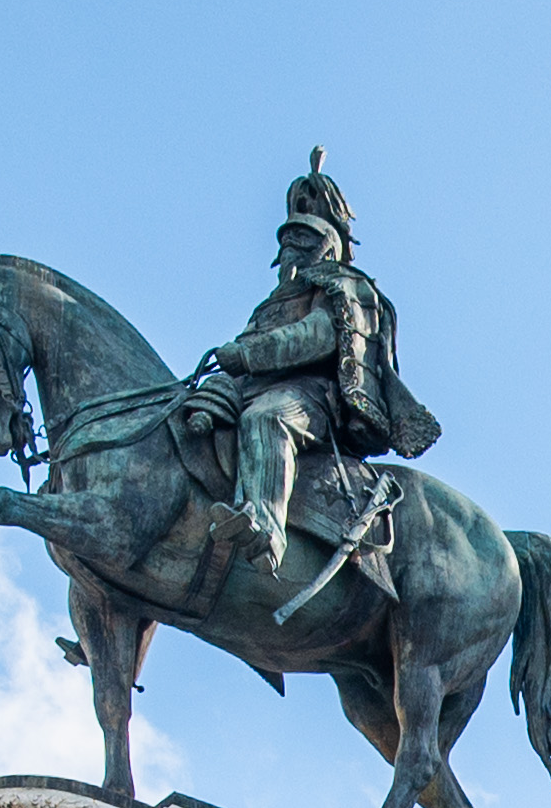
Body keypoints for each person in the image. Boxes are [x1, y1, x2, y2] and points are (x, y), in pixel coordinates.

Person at [180, 154, 444, 598]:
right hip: (251, 385)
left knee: (267, 419)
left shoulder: (345, 287)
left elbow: (316, 337)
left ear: (327, 244)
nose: (291, 247)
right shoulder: (273, 300)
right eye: (288, 238)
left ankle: (265, 527)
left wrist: (246, 355)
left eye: (303, 238)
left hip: (312, 398)